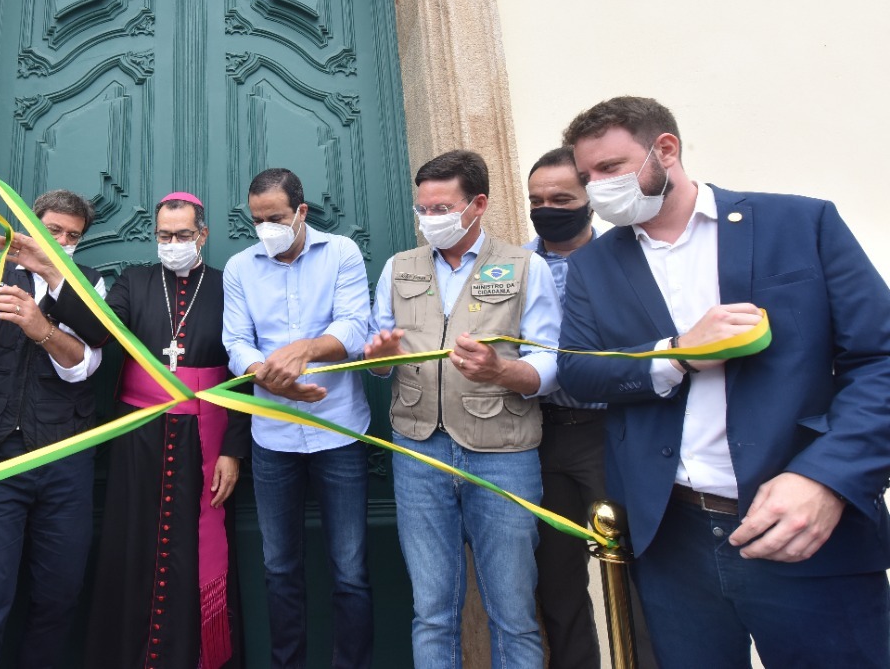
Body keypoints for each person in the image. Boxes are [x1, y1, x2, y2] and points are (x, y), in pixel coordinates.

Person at [557, 96, 890, 667]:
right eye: (588, 178)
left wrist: (828, 480)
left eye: (610, 169)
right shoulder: (596, 264)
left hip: (800, 524)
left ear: (666, 148)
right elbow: (581, 370)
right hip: (672, 535)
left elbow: (879, 361)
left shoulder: (800, 223)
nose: (598, 188)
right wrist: (677, 355)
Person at [364, 149, 560, 669]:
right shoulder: (398, 267)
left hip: (503, 452)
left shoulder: (524, 267)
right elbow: (378, 362)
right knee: (431, 612)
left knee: (514, 613)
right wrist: (377, 359)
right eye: (423, 210)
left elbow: (549, 360)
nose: (431, 220)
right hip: (418, 451)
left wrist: (502, 371)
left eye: (442, 208)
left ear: (478, 204)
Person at [0, 173, 110, 669]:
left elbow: (85, 362)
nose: (61, 242)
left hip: (63, 460)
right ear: (28, 223)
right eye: (51, 230)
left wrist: (42, 321)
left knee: (58, 598)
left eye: (72, 236)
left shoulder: (86, 281)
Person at [86, 192, 248, 669]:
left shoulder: (226, 286)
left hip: (209, 434)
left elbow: (242, 371)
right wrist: (55, 273)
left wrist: (234, 448)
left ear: (203, 235)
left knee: (195, 550)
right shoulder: (134, 282)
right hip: (139, 436)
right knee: (134, 545)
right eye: (164, 235)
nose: (172, 243)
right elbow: (98, 331)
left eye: (182, 235)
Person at [222, 168, 374, 669]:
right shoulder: (241, 267)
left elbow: (354, 325)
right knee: (279, 566)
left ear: (301, 212)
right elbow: (236, 341)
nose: (266, 228)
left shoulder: (342, 253)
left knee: (350, 569)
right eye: (258, 220)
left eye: (277, 218)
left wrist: (303, 350)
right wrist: (263, 375)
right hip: (272, 437)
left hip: (340, 430)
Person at [523, 147, 657, 669]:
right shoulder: (514, 268)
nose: (547, 207)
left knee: (635, 571)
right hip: (540, 434)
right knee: (555, 581)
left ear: (590, 201)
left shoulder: (626, 263)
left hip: (611, 433)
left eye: (561, 198)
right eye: (536, 199)